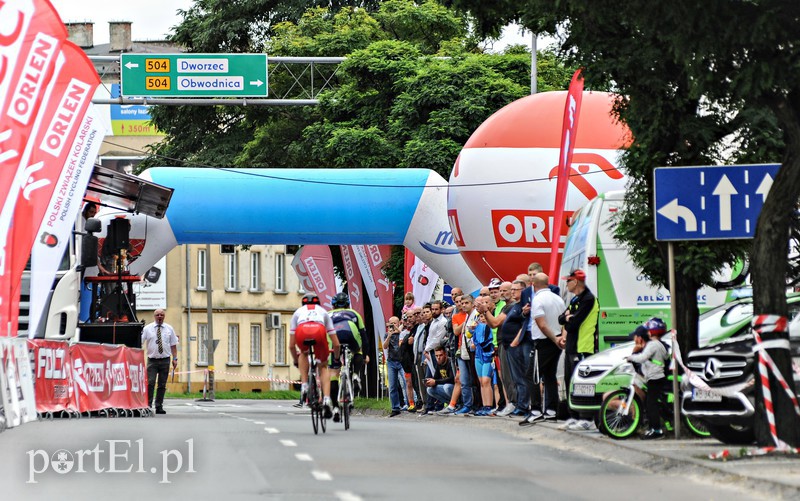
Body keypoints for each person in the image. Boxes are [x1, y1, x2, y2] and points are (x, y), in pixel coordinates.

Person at [521, 273, 566, 425]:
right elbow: (564, 321)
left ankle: (535, 410)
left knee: (532, 375)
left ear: (533, 284)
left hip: (543, 341)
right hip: (556, 340)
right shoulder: (558, 299)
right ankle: (551, 410)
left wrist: (554, 338)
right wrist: (561, 338)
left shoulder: (538, 299)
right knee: (549, 375)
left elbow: (542, 324)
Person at [558, 269, 599, 431]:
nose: (566, 284)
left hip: (583, 347)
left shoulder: (588, 299)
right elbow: (561, 318)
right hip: (571, 347)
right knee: (570, 383)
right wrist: (567, 318)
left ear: (575, 282)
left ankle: (586, 418)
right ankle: (574, 417)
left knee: (582, 384)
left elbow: (574, 324)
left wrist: (568, 319)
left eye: (568, 281)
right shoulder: (576, 299)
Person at [289, 293, 340, 419]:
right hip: (319, 330)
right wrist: (337, 358)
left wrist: (296, 361)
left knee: (304, 352)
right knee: (323, 367)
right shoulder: (323, 312)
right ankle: (327, 399)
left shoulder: (297, 312)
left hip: (301, 330)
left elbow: (291, 346)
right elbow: (336, 344)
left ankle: (304, 385)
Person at [625, 318, 670, 440]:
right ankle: (652, 428)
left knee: (651, 404)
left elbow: (643, 358)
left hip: (654, 378)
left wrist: (630, 358)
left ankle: (657, 430)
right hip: (657, 377)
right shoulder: (660, 345)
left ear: (651, 332)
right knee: (653, 403)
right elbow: (665, 357)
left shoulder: (652, 345)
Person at [328, 292, 370, 422]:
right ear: (347, 304)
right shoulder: (354, 313)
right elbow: (364, 336)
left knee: (333, 372)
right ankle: (355, 375)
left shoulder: (328, 315)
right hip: (350, 332)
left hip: (334, 336)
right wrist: (365, 355)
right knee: (358, 352)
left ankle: (335, 408)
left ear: (333, 305)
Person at [141, 309, 178, 415]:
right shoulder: (147, 328)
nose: (160, 316)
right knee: (150, 383)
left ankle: (159, 406)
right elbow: (140, 341)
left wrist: (175, 359)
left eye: (162, 315)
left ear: (164, 316)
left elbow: (173, 345)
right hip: (152, 360)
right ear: (154, 316)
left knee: (162, 384)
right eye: (157, 315)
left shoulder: (169, 329)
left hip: (165, 360)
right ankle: (148, 405)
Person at [382, 316, 405, 417]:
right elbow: (385, 346)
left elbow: (400, 333)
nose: (392, 326)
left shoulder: (401, 332)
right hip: (391, 361)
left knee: (405, 383)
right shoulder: (387, 334)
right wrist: (389, 336)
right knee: (392, 386)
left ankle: (409, 403)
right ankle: (395, 407)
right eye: (390, 324)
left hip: (401, 361)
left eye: (394, 323)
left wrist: (396, 329)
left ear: (398, 323)